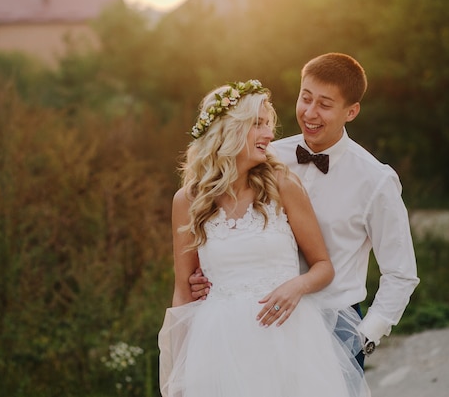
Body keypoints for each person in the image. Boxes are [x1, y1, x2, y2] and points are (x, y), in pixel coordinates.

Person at [189, 53, 420, 368]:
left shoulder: (376, 181)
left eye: (324, 105)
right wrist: (213, 272)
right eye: (305, 98)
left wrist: (364, 337)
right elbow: (226, 217)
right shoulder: (266, 155)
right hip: (261, 325)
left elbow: (401, 273)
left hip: (336, 323)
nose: (310, 113)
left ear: (351, 111)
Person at [158, 79, 369, 397]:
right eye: (258, 124)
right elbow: (183, 291)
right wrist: (180, 372)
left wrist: (296, 286)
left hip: (290, 338)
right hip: (219, 347)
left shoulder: (283, 184)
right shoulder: (187, 200)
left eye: (268, 125)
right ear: (229, 129)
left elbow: (323, 265)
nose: (270, 135)